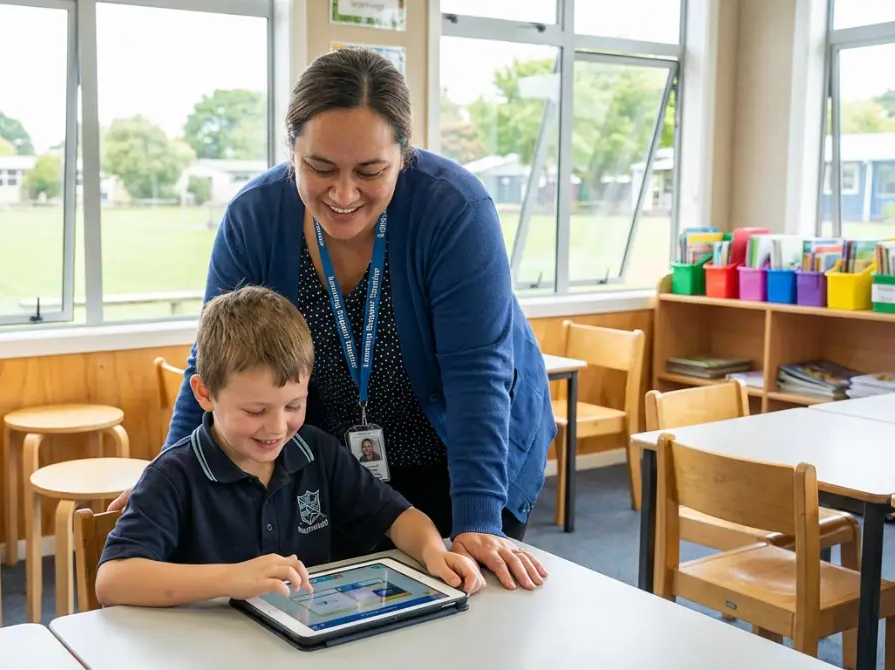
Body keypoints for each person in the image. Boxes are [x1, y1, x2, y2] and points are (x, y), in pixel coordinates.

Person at [112, 47, 556, 591]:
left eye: (371, 171)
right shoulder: (255, 217)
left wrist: (479, 521)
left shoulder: (454, 210)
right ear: (291, 151)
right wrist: (171, 473)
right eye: (319, 168)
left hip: (463, 449)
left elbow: (477, 377)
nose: (343, 194)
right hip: (339, 466)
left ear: (404, 156)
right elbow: (212, 362)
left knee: (465, 595)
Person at [95, 286, 485, 607]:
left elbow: (401, 517)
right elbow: (114, 580)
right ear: (204, 393)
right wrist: (232, 577)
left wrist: (434, 551)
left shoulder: (316, 450)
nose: (277, 428)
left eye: (294, 406)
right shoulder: (172, 477)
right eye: (255, 410)